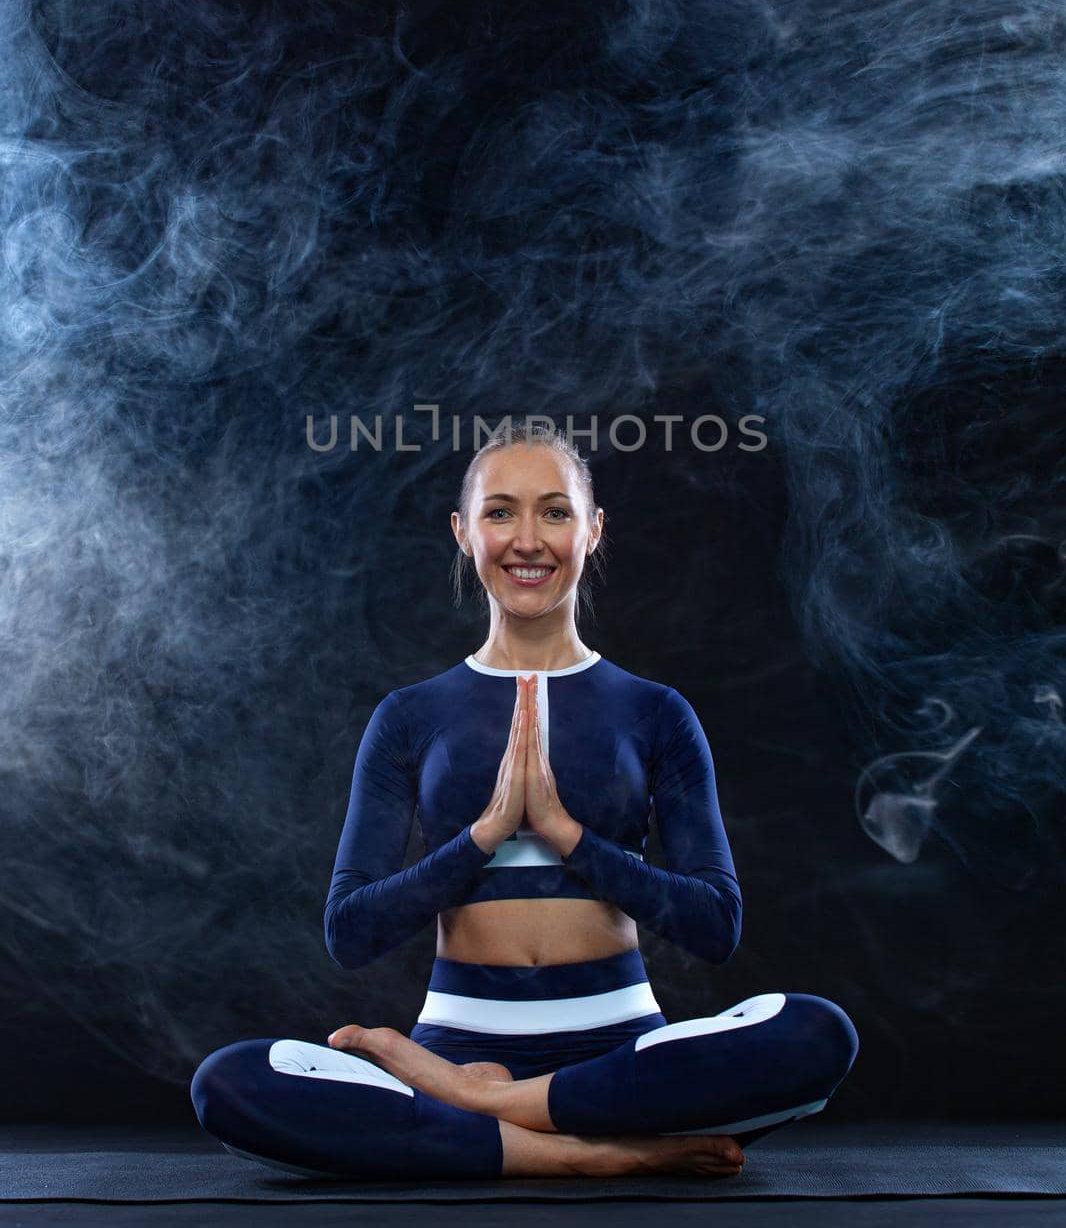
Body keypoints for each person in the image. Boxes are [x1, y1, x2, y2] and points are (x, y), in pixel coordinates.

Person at [191, 420, 859, 1180]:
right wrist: (485, 835)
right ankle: (592, 1154)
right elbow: (350, 931)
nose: (527, 540)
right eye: (500, 512)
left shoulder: (655, 711)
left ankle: (489, 1119)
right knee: (228, 1085)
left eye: (555, 511)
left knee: (816, 1034)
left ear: (593, 529)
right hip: (458, 1040)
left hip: (621, 1053)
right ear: (463, 532)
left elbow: (715, 925)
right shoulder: (410, 715)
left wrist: (568, 836)